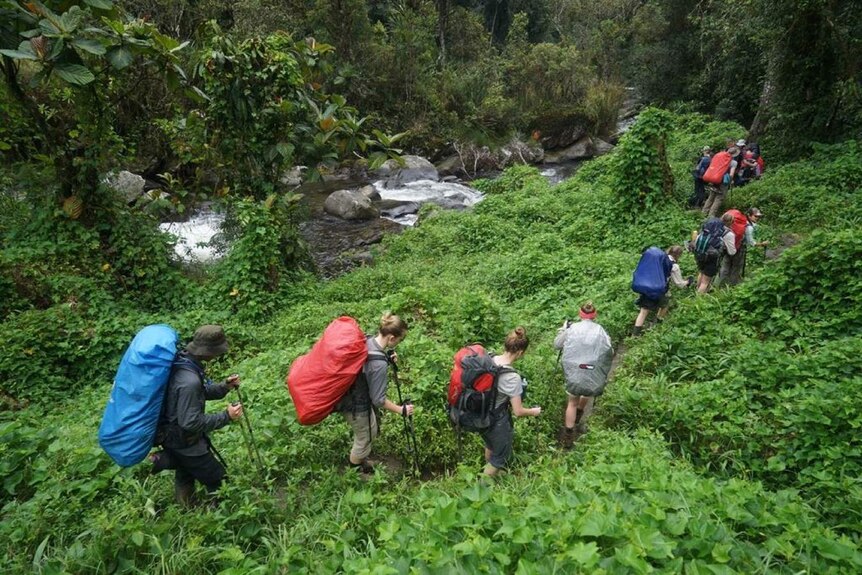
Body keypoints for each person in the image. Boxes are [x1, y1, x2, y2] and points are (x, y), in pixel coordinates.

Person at [152, 325, 243, 506]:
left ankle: (187, 509)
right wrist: (227, 416)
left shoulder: (183, 363)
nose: (218, 355)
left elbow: (199, 392)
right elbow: (190, 422)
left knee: (185, 472)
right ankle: (219, 517)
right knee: (219, 481)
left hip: (170, 437)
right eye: (217, 352)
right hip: (185, 442)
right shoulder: (189, 380)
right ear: (208, 352)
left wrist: (224, 387)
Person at [336, 312, 412, 474]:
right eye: (400, 339)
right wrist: (401, 410)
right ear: (391, 338)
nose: (399, 342)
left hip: (349, 394)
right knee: (365, 436)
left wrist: (387, 358)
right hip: (355, 403)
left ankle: (361, 459)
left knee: (371, 429)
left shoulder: (368, 340)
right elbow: (378, 400)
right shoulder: (378, 364)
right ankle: (354, 472)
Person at [481, 327, 541, 476]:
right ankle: (481, 488)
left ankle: (491, 475)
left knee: (490, 445)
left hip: (481, 414)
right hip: (497, 421)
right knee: (499, 458)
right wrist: (534, 412)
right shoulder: (512, 378)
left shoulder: (490, 358)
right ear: (520, 352)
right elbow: (518, 411)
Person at [553, 302, 613, 449]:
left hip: (575, 371)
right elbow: (609, 351)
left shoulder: (572, 329)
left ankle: (568, 434)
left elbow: (557, 344)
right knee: (587, 389)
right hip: (592, 371)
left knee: (571, 402)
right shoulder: (601, 331)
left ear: (580, 314)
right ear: (595, 315)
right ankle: (579, 415)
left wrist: (563, 330)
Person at [632, 246, 692, 336]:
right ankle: (656, 325)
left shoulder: (658, 259)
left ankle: (635, 335)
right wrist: (688, 282)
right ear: (679, 255)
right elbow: (679, 284)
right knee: (665, 305)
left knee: (644, 311)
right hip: (659, 289)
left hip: (646, 287)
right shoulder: (674, 265)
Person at [718, 207, 768, 286]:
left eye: (759, 217)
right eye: (756, 216)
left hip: (727, 246)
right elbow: (751, 242)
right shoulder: (748, 227)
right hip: (739, 248)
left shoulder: (739, 221)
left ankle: (720, 285)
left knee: (725, 266)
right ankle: (732, 286)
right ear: (749, 215)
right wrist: (762, 244)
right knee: (736, 268)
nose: (758, 218)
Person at [694, 213, 737, 293]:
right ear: (731, 222)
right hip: (713, 257)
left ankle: (697, 290)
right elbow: (732, 252)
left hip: (700, 253)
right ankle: (698, 300)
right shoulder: (728, 233)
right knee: (705, 282)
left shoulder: (710, 227)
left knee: (702, 272)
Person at [702, 145, 739, 218]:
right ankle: (711, 216)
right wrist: (730, 181)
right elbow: (731, 174)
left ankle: (703, 213)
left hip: (713, 179)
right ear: (735, 154)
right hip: (722, 182)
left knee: (711, 197)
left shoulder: (719, 157)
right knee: (719, 198)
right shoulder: (733, 162)